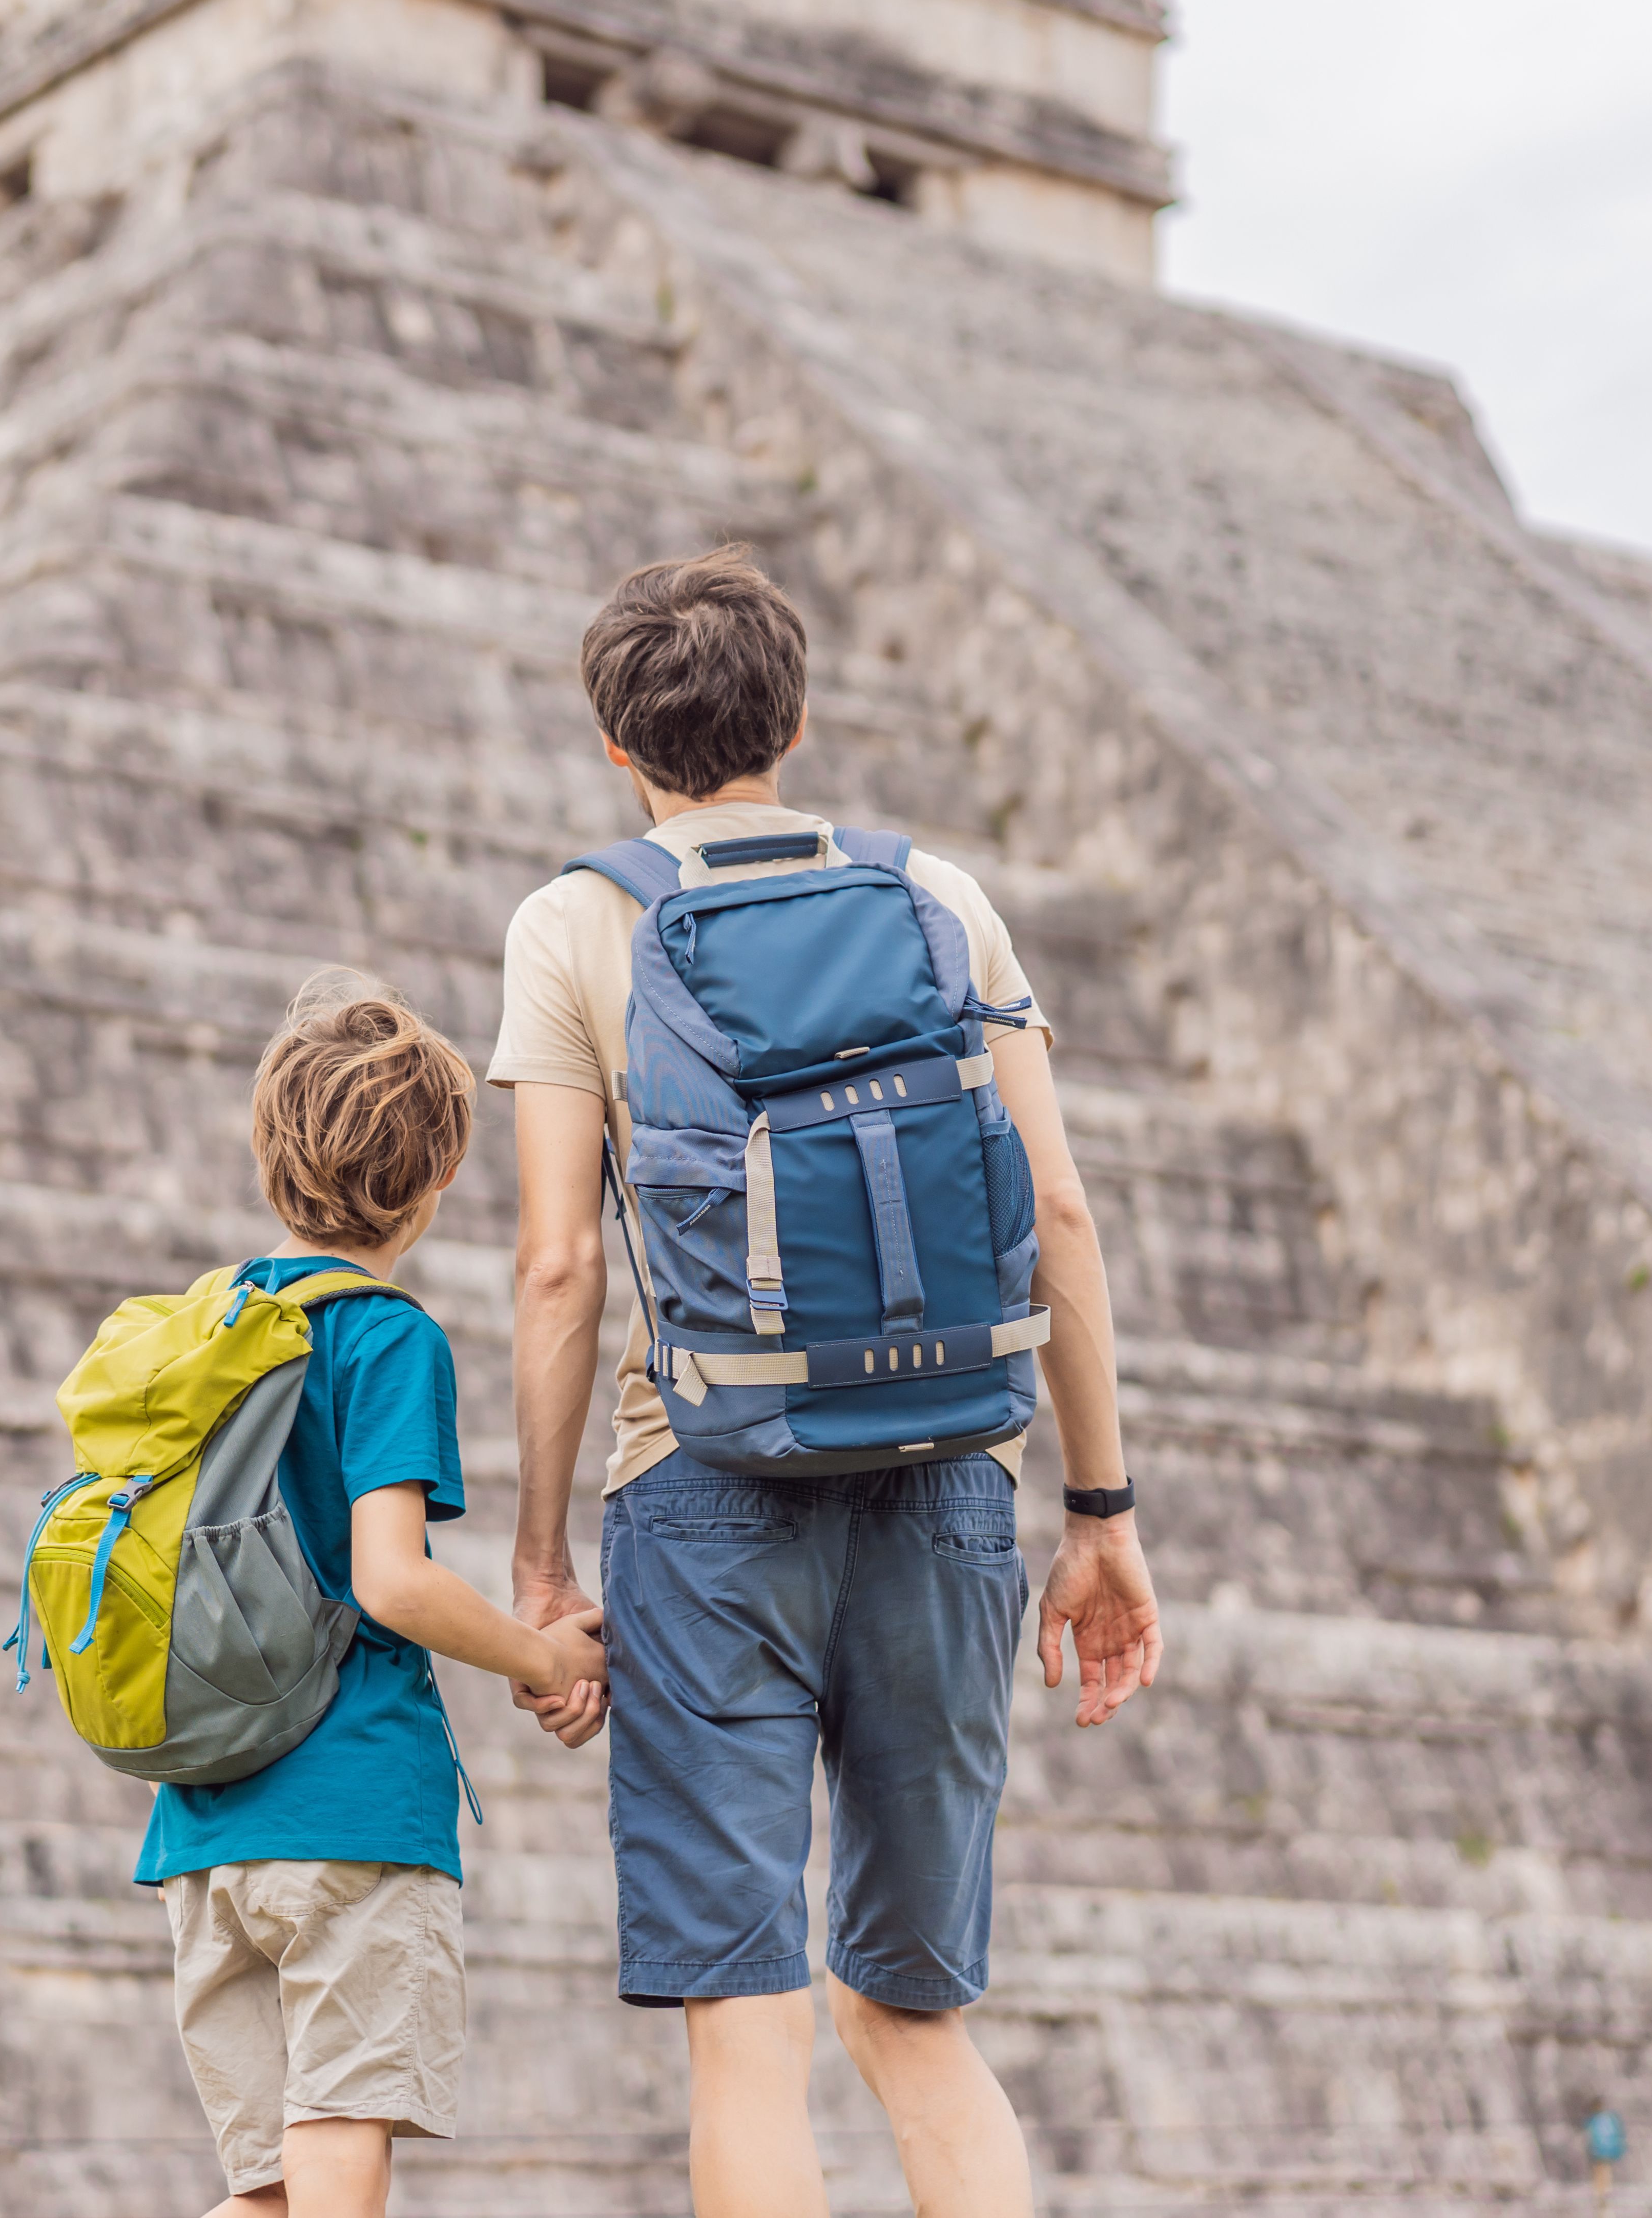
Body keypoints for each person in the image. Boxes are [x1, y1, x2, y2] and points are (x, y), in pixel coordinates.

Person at [489, 549, 1164, 2218]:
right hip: (941, 1477)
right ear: (794, 718)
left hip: (701, 1486)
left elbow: (560, 1263)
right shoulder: (937, 894)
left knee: (749, 2018)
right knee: (911, 2007)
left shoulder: (579, 918)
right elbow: (1055, 1207)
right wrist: (1097, 1509)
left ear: (613, 745)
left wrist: (536, 1561)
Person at [143, 971, 612, 2218]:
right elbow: (392, 1579)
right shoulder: (385, 1336)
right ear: (431, 1184)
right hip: (350, 1814)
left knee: (265, 2193)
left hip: (204, 1833)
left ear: (269, 1157)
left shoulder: (206, 1333)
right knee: (343, 2147)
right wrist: (544, 1656)